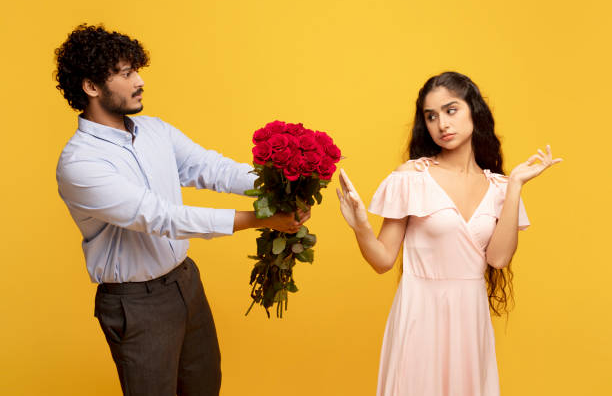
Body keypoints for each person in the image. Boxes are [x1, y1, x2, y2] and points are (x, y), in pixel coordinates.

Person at [54, 24, 310, 396]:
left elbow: (211, 168)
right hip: (136, 303)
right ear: (91, 87)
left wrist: (286, 180)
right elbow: (160, 217)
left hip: (186, 282)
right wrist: (262, 219)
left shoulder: (155, 130)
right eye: (126, 74)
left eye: (137, 70)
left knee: (206, 386)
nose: (139, 81)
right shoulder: (80, 164)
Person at [336, 71, 562, 396]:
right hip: (419, 312)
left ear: (474, 111)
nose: (441, 124)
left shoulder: (498, 188)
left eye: (450, 110)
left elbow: (498, 258)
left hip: (470, 319)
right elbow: (383, 260)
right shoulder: (412, 178)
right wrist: (360, 224)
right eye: (431, 116)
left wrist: (515, 186)